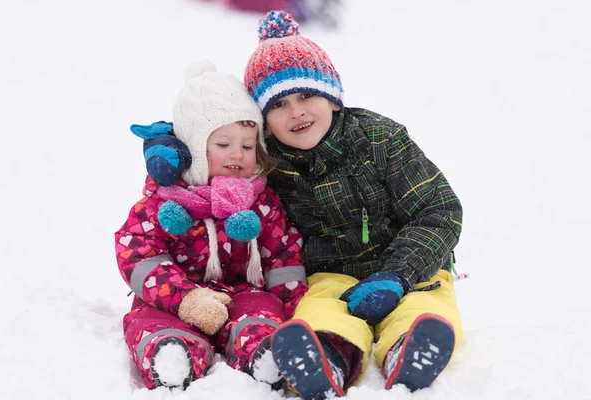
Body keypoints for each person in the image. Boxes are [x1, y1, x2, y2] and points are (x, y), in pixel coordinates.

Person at [242, 10, 464, 399]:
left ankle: (409, 349)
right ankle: (327, 356)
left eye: (306, 95)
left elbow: (439, 210)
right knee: (321, 311)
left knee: (423, 304)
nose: (296, 112)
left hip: (411, 269)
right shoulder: (269, 165)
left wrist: (398, 274)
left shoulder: (380, 139)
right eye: (278, 105)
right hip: (331, 275)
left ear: (333, 97)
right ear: (263, 121)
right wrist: (177, 149)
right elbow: (217, 159)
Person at [115, 61, 307, 391]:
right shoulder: (164, 202)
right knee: (150, 320)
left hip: (244, 293)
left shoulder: (260, 201)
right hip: (174, 299)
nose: (238, 154)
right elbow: (138, 254)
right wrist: (186, 299)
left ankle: (264, 354)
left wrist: (295, 311)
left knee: (261, 314)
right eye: (222, 145)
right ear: (193, 150)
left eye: (248, 146)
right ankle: (171, 353)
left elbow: (283, 257)